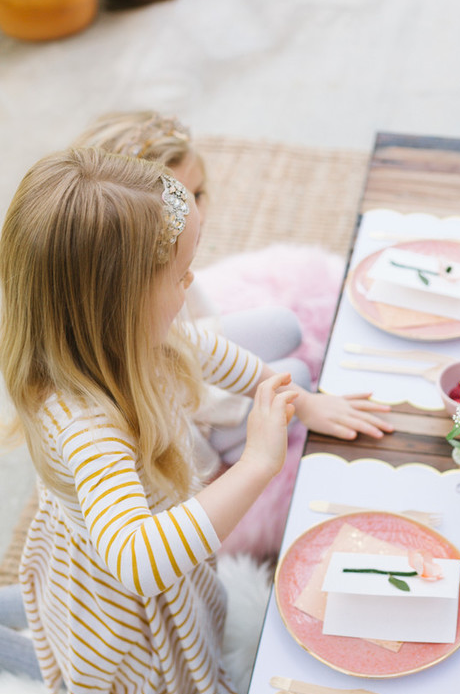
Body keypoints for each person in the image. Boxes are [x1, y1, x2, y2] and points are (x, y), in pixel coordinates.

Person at [0, 147, 392, 694]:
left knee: (55, 607)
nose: (192, 286)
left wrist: (303, 402)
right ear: (116, 302)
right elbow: (135, 559)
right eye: (180, 276)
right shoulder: (85, 422)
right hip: (114, 595)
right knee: (122, 681)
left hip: (106, 553)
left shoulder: (134, 333)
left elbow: (210, 353)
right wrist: (260, 463)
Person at [73, 110, 312, 467]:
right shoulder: (132, 327)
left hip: (182, 357)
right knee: (299, 377)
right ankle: (231, 442)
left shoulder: (159, 284)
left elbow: (192, 339)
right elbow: (176, 440)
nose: (196, 214)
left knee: (285, 330)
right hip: (180, 411)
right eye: (180, 203)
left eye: (198, 194)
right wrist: (227, 464)